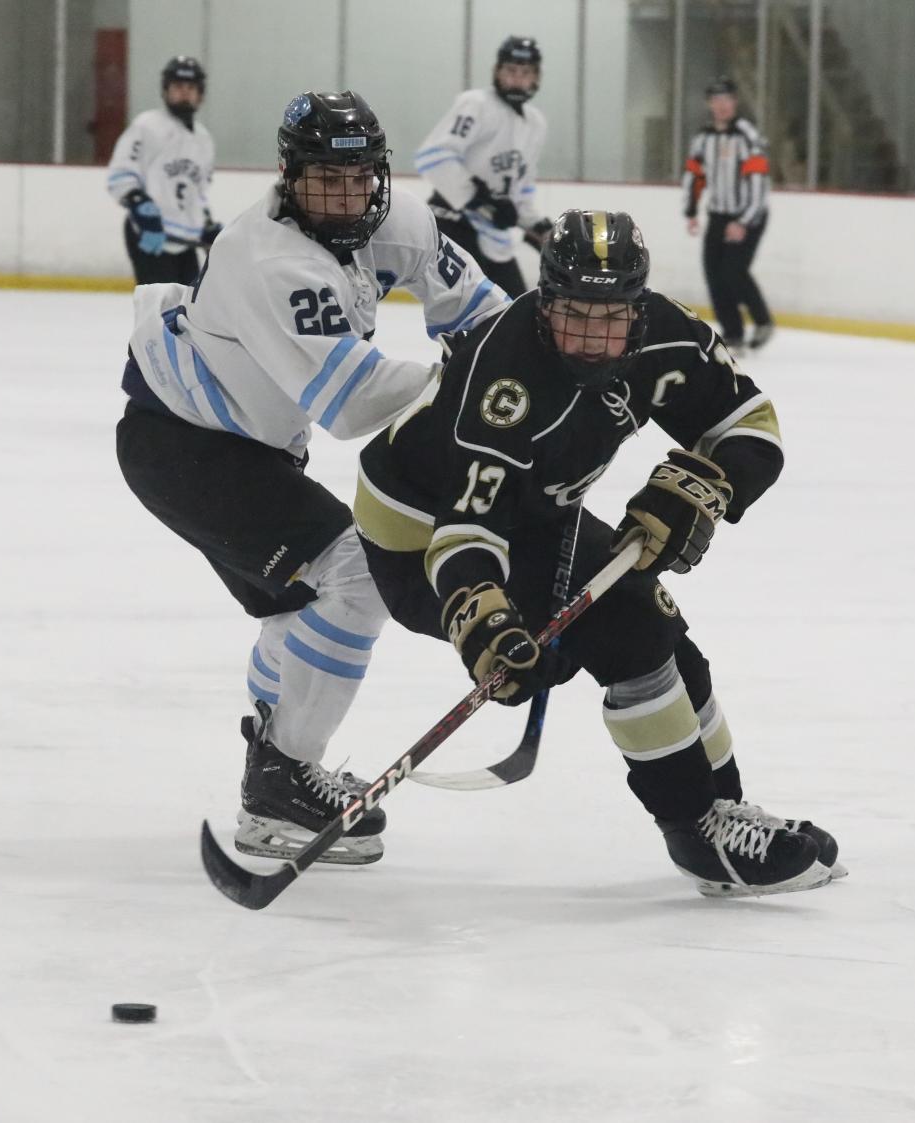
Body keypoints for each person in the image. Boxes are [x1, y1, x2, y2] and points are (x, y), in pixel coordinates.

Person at [353, 209, 844, 897]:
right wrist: (483, 619)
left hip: (537, 511)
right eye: (573, 315)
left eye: (611, 318)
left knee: (661, 623)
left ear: (639, 310)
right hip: (418, 534)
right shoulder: (506, 376)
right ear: (545, 301)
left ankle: (725, 812)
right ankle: (697, 830)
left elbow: (750, 423)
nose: (591, 338)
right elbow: (464, 532)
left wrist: (708, 482)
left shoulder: (664, 335)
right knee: (628, 631)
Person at [114, 91, 509, 865]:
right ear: (291, 176)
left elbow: (484, 315)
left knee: (300, 606)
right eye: (327, 177)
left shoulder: (397, 224)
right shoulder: (268, 256)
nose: (347, 194)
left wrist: (527, 390)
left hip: (249, 449)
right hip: (187, 448)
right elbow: (352, 398)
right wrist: (466, 398)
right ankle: (284, 775)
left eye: (361, 176)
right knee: (356, 572)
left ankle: (271, 781)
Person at [414, 35, 552, 299]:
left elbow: (520, 190)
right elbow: (434, 156)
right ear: (497, 71)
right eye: (510, 70)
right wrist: (481, 199)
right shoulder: (476, 104)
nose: (517, 78)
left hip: (493, 236)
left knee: (516, 311)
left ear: (536, 78)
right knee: (468, 316)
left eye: (525, 73)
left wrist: (537, 226)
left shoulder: (536, 123)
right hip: (453, 223)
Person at [107, 56, 221, 285]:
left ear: (200, 93)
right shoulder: (147, 126)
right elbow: (122, 174)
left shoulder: (204, 139)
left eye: (191, 87)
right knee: (157, 310)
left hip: (186, 239)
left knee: (189, 312)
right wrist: (140, 207)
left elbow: (197, 192)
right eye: (178, 86)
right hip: (151, 234)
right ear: (166, 89)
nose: (185, 93)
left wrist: (205, 224)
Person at [681, 77, 774, 352]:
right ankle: (733, 333)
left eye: (727, 99)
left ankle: (762, 320)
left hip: (749, 214)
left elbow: (759, 181)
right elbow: (695, 174)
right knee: (713, 272)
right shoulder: (703, 138)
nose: (722, 105)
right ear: (709, 104)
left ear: (735, 102)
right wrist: (691, 210)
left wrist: (744, 221)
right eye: (716, 100)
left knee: (733, 270)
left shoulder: (747, 135)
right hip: (719, 215)